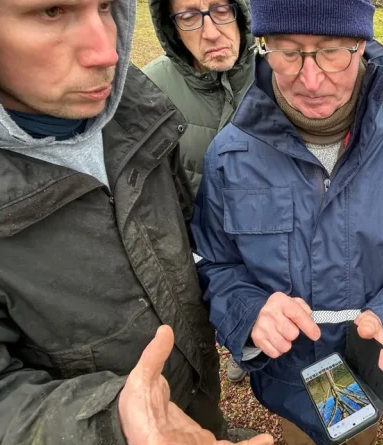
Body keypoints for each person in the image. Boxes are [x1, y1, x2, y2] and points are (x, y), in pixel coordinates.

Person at [0, 1, 269, 444]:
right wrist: (112, 425)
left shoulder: (138, 106)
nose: (108, 52)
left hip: (194, 388)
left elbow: (185, 235)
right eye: (52, 11)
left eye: (106, 6)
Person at [191, 0, 383, 444]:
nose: (311, 79)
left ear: (361, 44)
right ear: (263, 47)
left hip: (369, 369)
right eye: (287, 50)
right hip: (284, 374)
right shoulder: (230, 153)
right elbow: (212, 261)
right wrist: (250, 312)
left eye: (331, 50)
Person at [143, 0, 256, 384]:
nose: (211, 31)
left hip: (267, 243)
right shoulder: (148, 90)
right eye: (190, 16)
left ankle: (244, 345)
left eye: (221, 9)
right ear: (171, 27)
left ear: (241, 13)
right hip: (194, 248)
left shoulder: (279, 72)